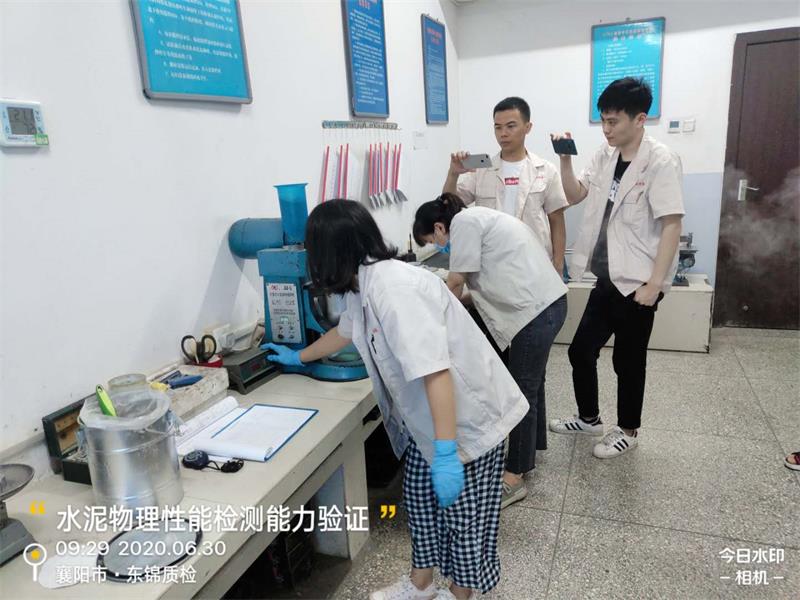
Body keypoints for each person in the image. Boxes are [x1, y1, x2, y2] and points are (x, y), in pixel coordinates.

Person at [263, 200, 528, 600]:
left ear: (329, 254)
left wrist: (445, 454)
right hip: (429, 423)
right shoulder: (363, 283)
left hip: (465, 420)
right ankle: (421, 584)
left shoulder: (394, 289)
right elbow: (346, 332)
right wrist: (298, 357)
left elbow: (435, 372)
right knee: (420, 503)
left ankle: (460, 594)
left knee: (465, 518)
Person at [548, 77, 684, 459]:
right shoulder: (604, 156)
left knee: (628, 361)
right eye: (603, 121)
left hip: (639, 282)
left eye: (613, 121)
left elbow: (672, 223)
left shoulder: (660, 161)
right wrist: (565, 159)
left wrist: (655, 284)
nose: (606, 130)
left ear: (639, 119)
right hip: (606, 277)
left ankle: (628, 430)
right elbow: (575, 194)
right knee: (580, 351)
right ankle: (589, 418)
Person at [413, 194, 567, 509]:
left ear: (440, 227)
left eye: (432, 241)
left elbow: (455, 283)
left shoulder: (463, 223)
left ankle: (515, 476)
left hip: (534, 312)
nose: (438, 247)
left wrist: (427, 321)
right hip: (546, 304)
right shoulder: (478, 218)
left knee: (522, 390)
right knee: (532, 383)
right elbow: (480, 287)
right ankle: (531, 448)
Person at [443, 96, 568, 276]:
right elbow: (448, 205)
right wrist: (453, 173)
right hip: (491, 264)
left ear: (528, 127)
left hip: (534, 265)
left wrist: (558, 266)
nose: (503, 133)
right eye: (498, 127)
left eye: (511, 126)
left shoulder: (545, 170)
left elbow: (557, 221)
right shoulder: (481, 170)